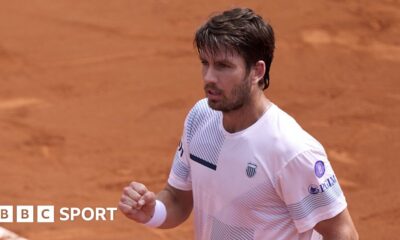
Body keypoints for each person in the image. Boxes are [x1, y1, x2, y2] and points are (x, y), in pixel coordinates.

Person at [118, 7, 359, 240]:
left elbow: (342, 233)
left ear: (257, 72)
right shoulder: (200, 117)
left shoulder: (290, 150)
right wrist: (152, 212)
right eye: (205, 63)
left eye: (223, 66)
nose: (209, 77)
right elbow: (177, 199)